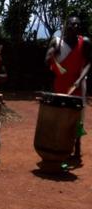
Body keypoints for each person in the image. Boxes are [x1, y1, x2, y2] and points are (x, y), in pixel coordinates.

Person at [45, 16, 92, 159]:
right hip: (60, 83)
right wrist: (52, 54)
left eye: (78, 24)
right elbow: (47, 61)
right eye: (72, 24)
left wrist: (80, 79)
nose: (75, 27)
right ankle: (60, 145)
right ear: (67, 26)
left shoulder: (85, 42)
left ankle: (76, 148)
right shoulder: (56, 41)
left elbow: (90, 62)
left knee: (77, 116)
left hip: (78, 84)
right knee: (60, 115)